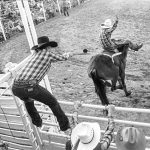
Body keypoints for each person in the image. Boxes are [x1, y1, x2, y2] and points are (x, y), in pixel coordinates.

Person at [11, 36, 72, 133]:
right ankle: (65, 127)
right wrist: (69, 54)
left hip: (15, 87)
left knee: (28, 100)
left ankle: (37, 123)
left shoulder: (35, 54)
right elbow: (63, 58)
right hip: (28, 86)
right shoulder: (47, 54)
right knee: (52, 102)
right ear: (48, 46)